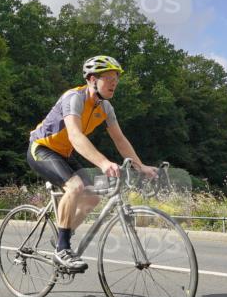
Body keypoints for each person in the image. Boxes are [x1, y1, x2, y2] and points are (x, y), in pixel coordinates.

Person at [26, 55, 158, 272]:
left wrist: (140, 166)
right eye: (109, 78)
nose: (114, 82)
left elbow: (120, 140)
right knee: (75, 187)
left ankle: (62, 234)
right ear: (92, 79)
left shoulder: (106, 108)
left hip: (65, 153)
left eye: (116, 78)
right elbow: (75, 135)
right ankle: (62, 249)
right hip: (42, 148)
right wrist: (104, 162)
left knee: (93, 197)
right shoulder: (74, 98)